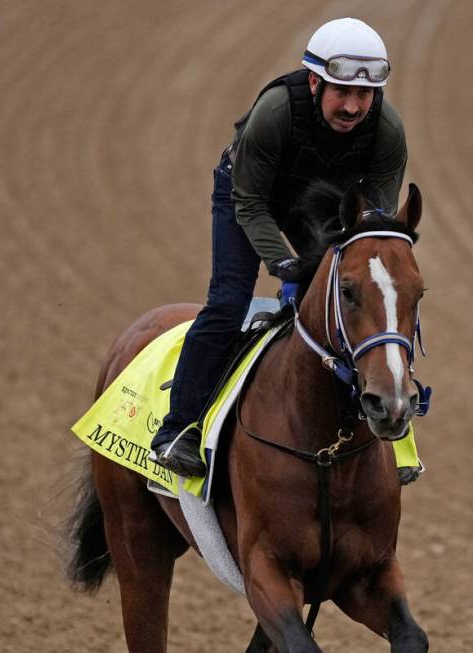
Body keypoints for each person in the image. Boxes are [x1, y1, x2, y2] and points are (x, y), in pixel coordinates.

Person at [150, 18, 407, 478]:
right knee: (228, 303)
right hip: (249, 198)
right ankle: (178, 430)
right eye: (341, 93)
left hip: (323, 203)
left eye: (363, 96)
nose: (353, 107)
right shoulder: (275, 113)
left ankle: (393, 432)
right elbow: (249, 204)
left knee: (365, 309)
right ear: (313, 82)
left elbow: (375, 224)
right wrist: (287, 264)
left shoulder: (387, 130)